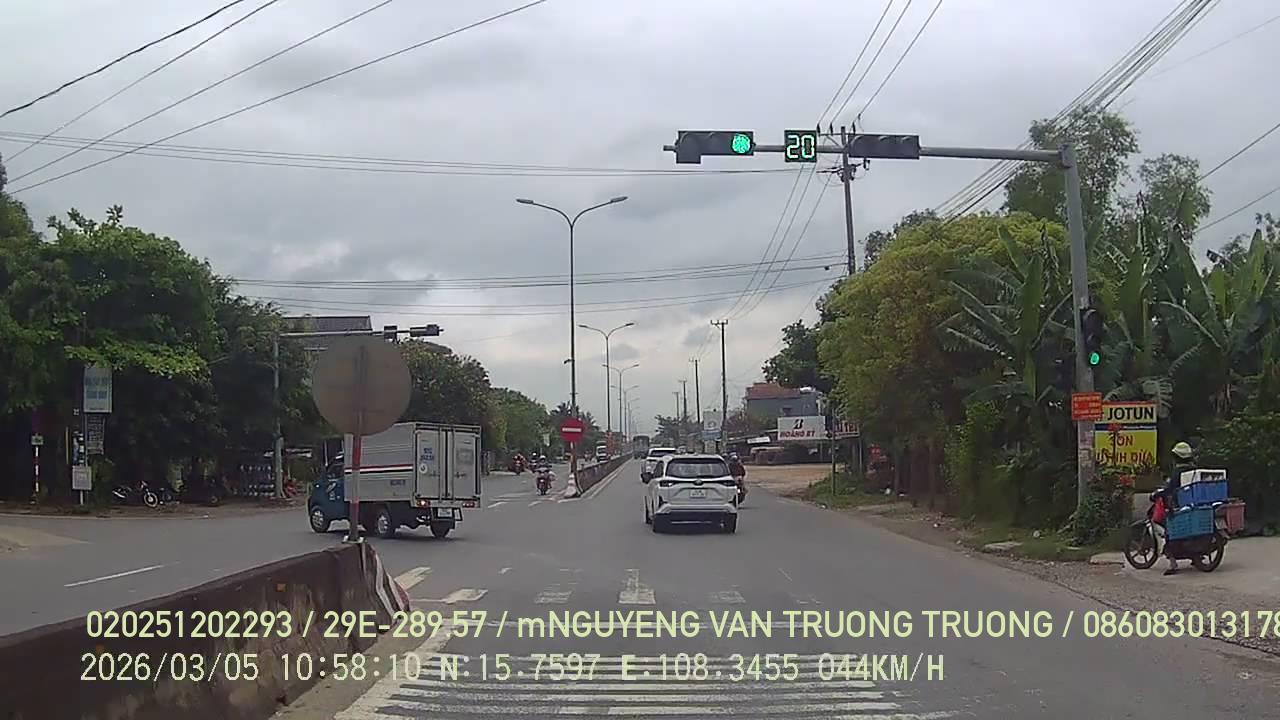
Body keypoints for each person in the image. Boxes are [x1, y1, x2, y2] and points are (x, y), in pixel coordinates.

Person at [1159, 441, 1197, 575]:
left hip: (1180, 505)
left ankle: (1173, 563)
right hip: (1195, 504)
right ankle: (1195, 557)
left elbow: (1170, 489)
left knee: (1169, 530)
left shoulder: (1177, 473)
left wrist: (1159, 493)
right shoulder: (1194, 470)